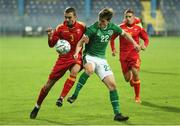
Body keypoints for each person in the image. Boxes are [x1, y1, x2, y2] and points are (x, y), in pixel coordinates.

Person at [67, 8, 141, 121]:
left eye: (103, 21)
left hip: (102, 59)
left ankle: (117, 114)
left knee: (113, 86)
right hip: (90, 56)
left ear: (108, 21)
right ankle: (75, 95)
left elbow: (125, 35)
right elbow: (81, 41)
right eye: (100, 20)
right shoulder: (93, 28)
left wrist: (135, 43)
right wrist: (77, 53)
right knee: (89, 70)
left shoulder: (113, 27)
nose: (101, 23)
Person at [30, 7, 85, 119]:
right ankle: (37, 106)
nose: (67, 19)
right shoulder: (60, 28)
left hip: (76, 56)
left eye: (69, 17)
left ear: (75, 17)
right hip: (63, 59)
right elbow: (51, 44)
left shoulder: (82, 26)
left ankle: (61, 98)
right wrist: (50, 36)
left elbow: (89, 36)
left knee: (75, 71)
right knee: (48, 84)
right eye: (65, 17)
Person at [110, 9, 149, 103]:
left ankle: (137, 97)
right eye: (126, 17)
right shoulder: (120, 28)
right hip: (123, 57)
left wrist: (144, 45)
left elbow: (146, 39)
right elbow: (112, 39)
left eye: (130, 16)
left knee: (135, 72)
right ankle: (132, 80)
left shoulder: (138, 28)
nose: (128, 18)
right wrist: (113, 49)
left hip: (134, 55)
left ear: (134, 17)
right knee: (127, 79)